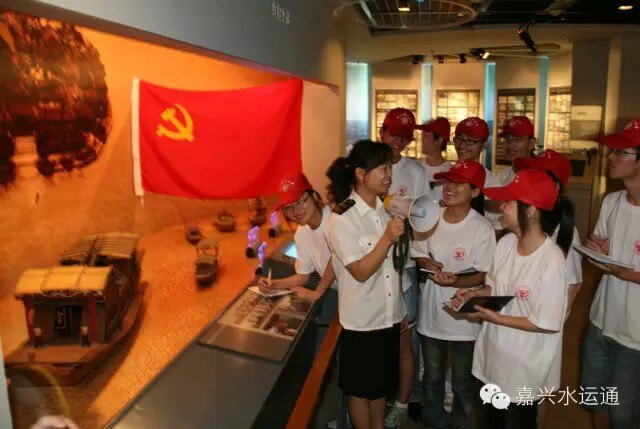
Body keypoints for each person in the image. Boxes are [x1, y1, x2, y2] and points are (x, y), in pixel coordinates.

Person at [454, 169, 573, 429]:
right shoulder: (506, 243)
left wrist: (494, 317)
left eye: (508, 201)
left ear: (530, 211)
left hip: (524, 368)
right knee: (490, 422)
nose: (501, 207)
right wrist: (474, 294)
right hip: (493, 357)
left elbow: (546, 322)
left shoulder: (551, 261)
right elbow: (496, 288)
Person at [324, 139, 407, 429]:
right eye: (382, 168)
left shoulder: (385, 211)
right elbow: (360, 271)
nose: (389, 175)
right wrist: (387, 238)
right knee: (360, 390)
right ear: (361, 173)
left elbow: (393, 268)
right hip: (362, 321)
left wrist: (400, 308)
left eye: (390, 168)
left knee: (381, 387)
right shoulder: (341, 218)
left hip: (388, 315)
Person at [412, 159, 496, 429]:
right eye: (448, 181)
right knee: (432, 376)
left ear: (475, 191)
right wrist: (428, 263)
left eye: (459, 183)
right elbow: (419, 253)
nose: (449, 187)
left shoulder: (482, 227)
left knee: (462, 381)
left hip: (465, 318)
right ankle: (434, 422)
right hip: (432, 314)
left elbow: (482, 275)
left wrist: (456, 281)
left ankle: (462, 423)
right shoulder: (429, 216)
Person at [581, 119, 640, 429]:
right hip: (601, 320)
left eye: (621, 152)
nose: (611, 157)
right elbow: (604, 249)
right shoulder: (612, 201)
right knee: (595, 400)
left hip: (635, 335)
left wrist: (630, 274)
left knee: (625, 415)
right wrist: (600, 249)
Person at [379, 108, 428, 425]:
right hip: (374, 262)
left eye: (405, 137)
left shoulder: (416, 170)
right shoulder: (368, 165)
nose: (399, 141)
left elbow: (424, 214)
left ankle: (406, 399)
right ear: (382, 132)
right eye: (394, 134)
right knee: (381, 336)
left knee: (407, 337)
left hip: (405, 263)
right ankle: (383, 394)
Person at [257, 172, 336, 301]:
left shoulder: (334, 219)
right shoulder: (302, 232)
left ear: (314, 197)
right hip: (335, 289)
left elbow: (336, 260)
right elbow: (302, 277)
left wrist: (317, 293)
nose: (296, 211)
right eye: (288, 207)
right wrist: (272, 284)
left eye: (300, 202)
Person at [452, 117, 502, 229]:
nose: (463, 145)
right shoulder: (444, 178)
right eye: (459, 139)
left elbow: (498, 228)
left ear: (484, 145)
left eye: (470, 141)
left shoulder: (493, 184)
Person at [416, 117, 453, 203]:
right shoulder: (415, 166)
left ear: (439, 140)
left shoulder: (451, 172)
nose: (421, 139)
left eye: (425, 136)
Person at [497, 116, 536, 185]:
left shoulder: (542, 178)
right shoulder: (503, 175)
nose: (510, 145)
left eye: (517, 139)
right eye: (506, 138)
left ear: (531, 143)